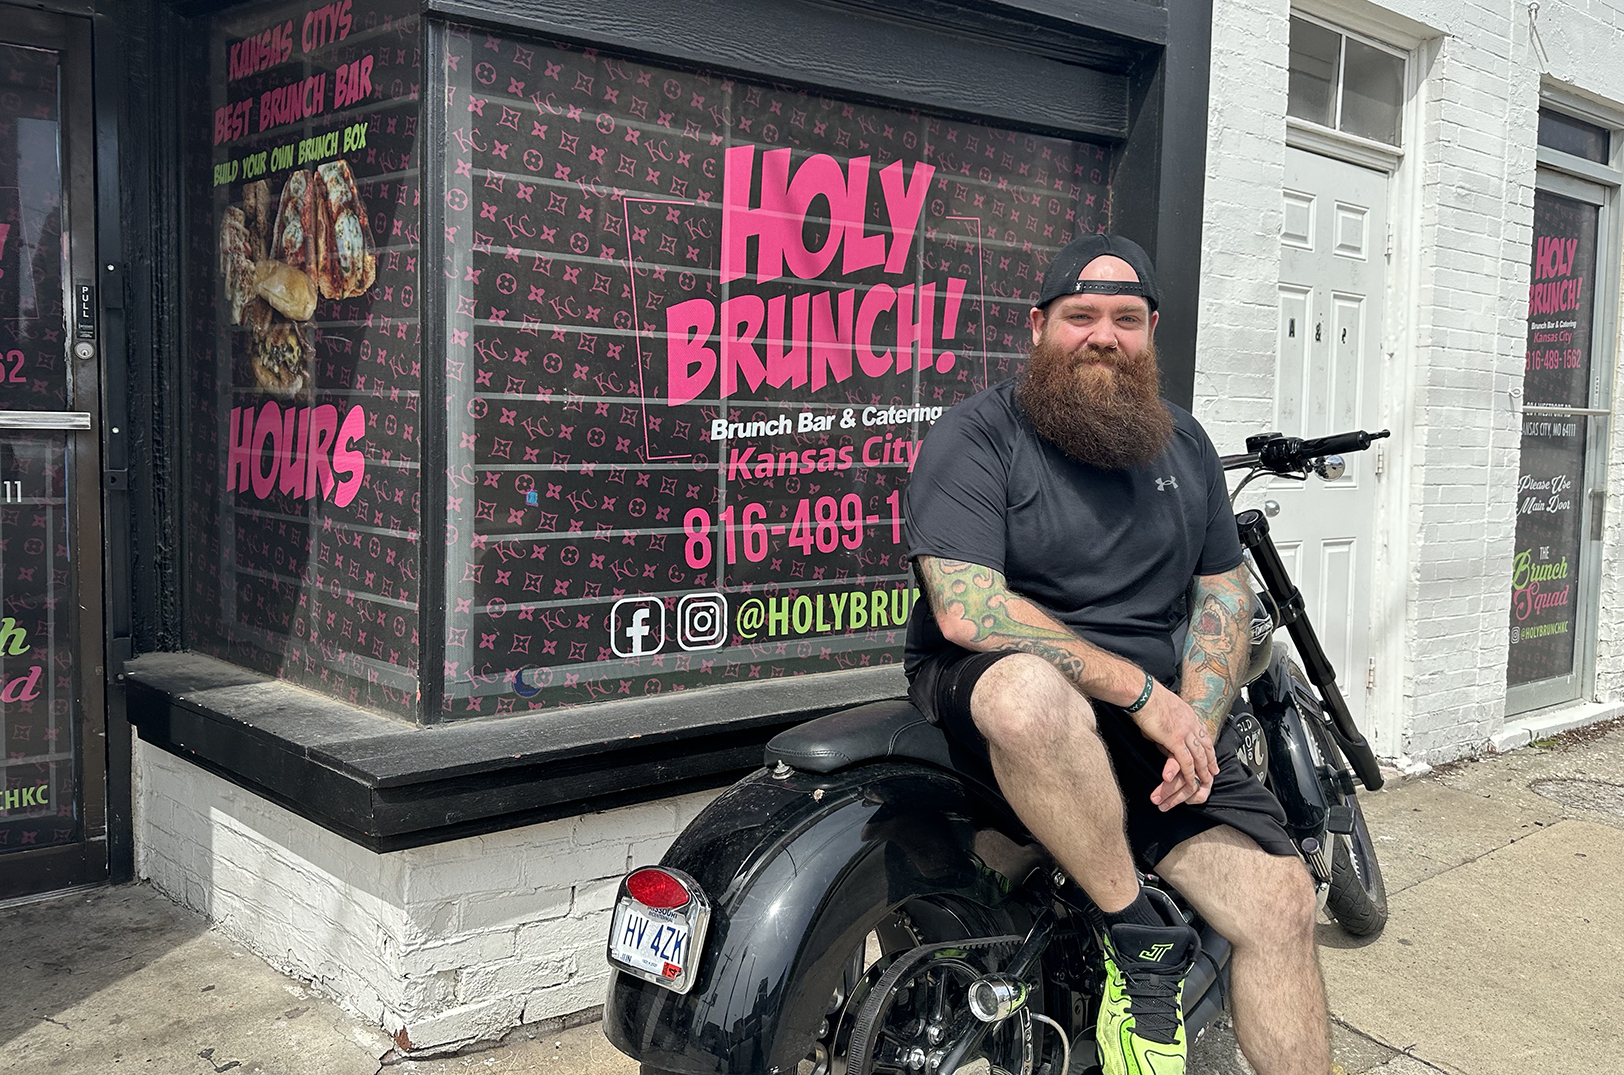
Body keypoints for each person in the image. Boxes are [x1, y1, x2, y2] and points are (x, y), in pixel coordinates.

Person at [902, 234, 1330, 1075]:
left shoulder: (1184, 443)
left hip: (1148, 715)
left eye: (1125, 318)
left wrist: (1196, 718)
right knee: (1030, 694)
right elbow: (966, 608)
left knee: (1282, 900)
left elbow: (1222, 592)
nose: (1104, 334)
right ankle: (1139, 939)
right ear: (1038, 326)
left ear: (1150, 332)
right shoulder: (977, 436)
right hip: (993, 696)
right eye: (1081, 315)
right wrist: (1146, 694)